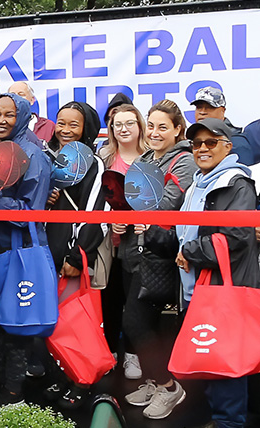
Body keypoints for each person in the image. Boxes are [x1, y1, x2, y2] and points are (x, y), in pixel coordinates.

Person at [145, 118, 258, 428]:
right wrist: (155, 236)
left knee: (226, 369)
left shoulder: (237, 183)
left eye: (211, 142)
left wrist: (190, 253)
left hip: (224, 291)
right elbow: (186, 237)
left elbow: (236, 236)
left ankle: (229, 423)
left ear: (228, 146)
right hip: (197, 292)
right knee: (210, 364)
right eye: (197, 143)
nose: (202, 149)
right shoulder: (198, 183)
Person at [0, 93, 51, 411]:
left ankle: (14, 392)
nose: (1, 120)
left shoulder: (34, 155)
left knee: (14, 326)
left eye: (9, 114)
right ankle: (0, 382)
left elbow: (32, 211)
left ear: (24, 117)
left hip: (16, 253)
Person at [121, 99, 198, 420]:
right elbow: (133, 201)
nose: (154, 132)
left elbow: (168, 204)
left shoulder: (184, 161)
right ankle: (155, 381)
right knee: (144, 322)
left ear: (178, 129)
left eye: (162, 126)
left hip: (166, 253)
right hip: (140, 250)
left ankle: (168, 387)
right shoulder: (148, 158)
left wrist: (143, 214)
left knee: (135, 322)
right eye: (150, 125)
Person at [42, 101, 106, 409]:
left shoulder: (94, 164)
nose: (65, 131)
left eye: (74, 125)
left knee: (78, 324)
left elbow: (96, 214)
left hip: (72, 261)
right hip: (45, 258)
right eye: (61, 123)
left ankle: (83, 382)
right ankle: (64, 373)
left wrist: (76, 256)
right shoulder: (48, 159)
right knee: (54, 324)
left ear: (87, 129)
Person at [99, 103, 148, 380]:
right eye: (118, 124)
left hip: (139, 245)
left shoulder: (150, 159)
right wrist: (109, 220)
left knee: (134, 304)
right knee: (110, 300)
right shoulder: (104, 158)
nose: (123, 129)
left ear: (139, 126)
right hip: (110, 245)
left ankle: (132, 355)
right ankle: (110, 353)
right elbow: (97, 199)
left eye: (129, 123)